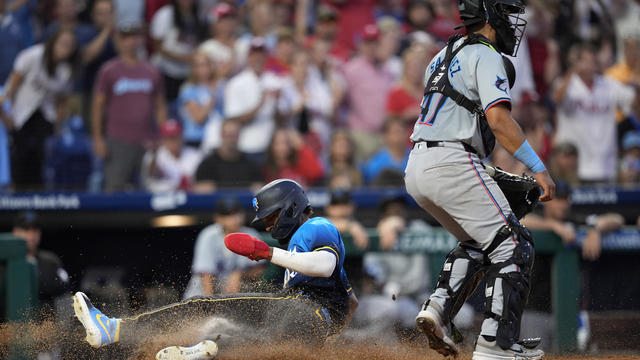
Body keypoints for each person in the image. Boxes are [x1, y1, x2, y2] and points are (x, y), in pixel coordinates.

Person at [403, 1, 555, 359]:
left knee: (482, 243)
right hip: (452, 160)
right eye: (504, 11)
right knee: (516, 245)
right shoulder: (485, 54)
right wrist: (538, 167)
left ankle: (438, 307)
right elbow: (499, 121)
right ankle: (496, 345)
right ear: (488, 17)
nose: (511, 20)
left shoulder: (440, 55)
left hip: (419, 165)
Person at [72, 179, 358, 358]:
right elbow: (352, 302)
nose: (269, 226)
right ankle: (212, 351)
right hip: (307, 327)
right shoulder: (300, 242)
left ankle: (115, 329)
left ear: (291, 207)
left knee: (203, 306)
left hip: (300, 308)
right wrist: (329, 335)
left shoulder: (316, 226)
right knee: (264, 347)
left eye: (271, 217)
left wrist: (266, 251)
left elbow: (325, 264)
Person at [92, 21, 167, 192]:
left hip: (148, 141)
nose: (131, 41)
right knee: (114, 189)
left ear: (140, 40)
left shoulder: (152, 70)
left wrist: (162, 137)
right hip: (118, 141)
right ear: (119, 40)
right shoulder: (109, 70)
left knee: (149, 190)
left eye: (135, 37)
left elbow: (160, 107)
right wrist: (97, 138)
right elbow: (98, 106)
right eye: (126, 37)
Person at [0, 28, 78, 191]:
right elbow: (10, 88)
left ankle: (40, 198)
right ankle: (17, 196)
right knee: (20, 156)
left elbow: (62, 100)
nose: (66, 49)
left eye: (70, 46)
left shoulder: (67, 69)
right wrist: (6, 115)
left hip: (45, 115)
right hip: (21, 113)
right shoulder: (33, 55)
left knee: (42, 157)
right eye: (63, 44)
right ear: (53, 42)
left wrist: (59, 122)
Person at [553, 43, 636, 184]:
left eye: (593, 62)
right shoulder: (567, 84)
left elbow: (632, 100)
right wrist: (572, 71)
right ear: (576, 63)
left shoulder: (608, 84)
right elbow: (557, 98)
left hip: (604, 164)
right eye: (586, 61)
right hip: (574, 167)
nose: (590, 66)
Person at [183, 197, 264, 299]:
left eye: (237, 213)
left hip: (233, 297)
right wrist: (211, 305)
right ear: (218, 218)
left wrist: (240, 274)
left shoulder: (251, 235)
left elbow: (259, 269)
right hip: (201, 295)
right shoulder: (208, 236)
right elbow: (206, 276)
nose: (235, 219)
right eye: (229, 215)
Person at [342, 23, 395, 161]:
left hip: (384, 135)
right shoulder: (351, 69)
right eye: (368, 43)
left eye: (375, 43)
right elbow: (341, 101)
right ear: (361, 45)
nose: (371, 47)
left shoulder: (387, 70)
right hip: (360, 133)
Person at [12, 211, 70, 314]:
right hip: (8, 325)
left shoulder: (50, 261)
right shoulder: (4, 262)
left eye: (35, 231)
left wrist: (35, 283)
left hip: (43, 325)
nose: (31, 235)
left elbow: (64, 285)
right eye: (26, 230)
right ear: (15, 232)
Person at [150, 0, 204, 101]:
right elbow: (157, 46)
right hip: (166, 72)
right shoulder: (165, 14)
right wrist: (181, 58)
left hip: (188, 73)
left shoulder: (197, 14)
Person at [193, 120, 262, 193]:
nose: (230, 140)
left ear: (239, 136)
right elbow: (199, 189)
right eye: (228, 135)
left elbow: (259, 187)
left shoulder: (251, 164)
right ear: (221, 135)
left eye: (234, 135)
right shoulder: (207, 165)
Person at [178, 51, 225, 150]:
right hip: (196, 139)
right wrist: (213, 97)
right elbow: (198, 118)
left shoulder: (221, 86)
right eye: (198, 66)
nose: (202, 69)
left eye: (205, 65)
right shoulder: (188, 89)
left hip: (217, 138)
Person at [141, 119, 202, 193]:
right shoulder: (156, 154)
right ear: (163, 139)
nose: (173, 142)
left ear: (182, 137)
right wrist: (154, 155)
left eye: (175, 137)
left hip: (189, 197)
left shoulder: (194, 154)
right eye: (169, 138)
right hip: (161, 196)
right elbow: (151, 175)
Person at [362, 117, 410, 184]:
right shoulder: (375, 162)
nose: (400, 135)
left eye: (403, 131)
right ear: (386, 136)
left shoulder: (415, 157)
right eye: (396, 132)